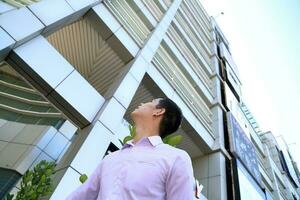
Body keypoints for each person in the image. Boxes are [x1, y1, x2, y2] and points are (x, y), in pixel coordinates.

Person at [66, 97, 194, 200]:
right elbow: (81, 195)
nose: (143, 103)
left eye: (151, 102)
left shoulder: (176, 158)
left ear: (159, 111)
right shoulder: (111, 158)